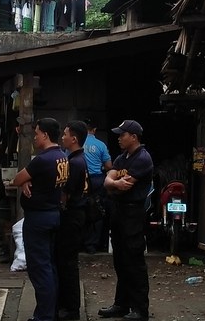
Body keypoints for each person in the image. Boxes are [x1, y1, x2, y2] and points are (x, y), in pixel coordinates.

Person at [11, 118, 68, 321]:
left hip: (38, 218)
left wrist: (24, 181)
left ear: (45, 134)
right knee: (49, 266)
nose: (35, 137)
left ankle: (44, 316)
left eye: (36, 133)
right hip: (52, 213)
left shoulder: (43, 159)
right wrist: (28, 181)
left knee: (40, 269)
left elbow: (17, 178)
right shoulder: (62, 157)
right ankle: (48, 312)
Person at [98, 120, 154, 321]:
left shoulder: (142, 158)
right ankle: (121, 304)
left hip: (133, 214)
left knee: (134, 261)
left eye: (123, 135)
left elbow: (125, 186)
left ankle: (140, 309)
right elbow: (109, 181)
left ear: (134, 136)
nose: (119, 138)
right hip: (118, 212)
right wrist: (113, 183)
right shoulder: (122, 157)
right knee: (120, 261)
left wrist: (114, 184)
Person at [56, 120, 89, 321]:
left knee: (68, 263)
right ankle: (67, 305)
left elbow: (65, 194)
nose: (63, 137)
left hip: (73, 216)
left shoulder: (75, 162)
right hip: (76, 215)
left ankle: (71, 309)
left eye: (65, 134)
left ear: (74, 139)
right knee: (66, 262)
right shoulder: (78, 159)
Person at [82, 119, 112, 253]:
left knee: (80, 209)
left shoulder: (75, 143)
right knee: (98, 211)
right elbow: (109, 166)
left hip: (81, 181)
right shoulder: (101, 145)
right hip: (97, 180)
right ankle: (93, 245)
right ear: (94, 130)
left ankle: (80, 243)